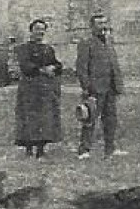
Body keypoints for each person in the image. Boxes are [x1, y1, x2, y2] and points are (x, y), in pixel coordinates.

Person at [75, 13, 124, 159]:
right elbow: (81, 67)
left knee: (110, 119)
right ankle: (84, 150)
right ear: (92, 26)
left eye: (104, 23)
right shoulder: (86, 43)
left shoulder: (109, 42)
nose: (103, 27)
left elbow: (113, 64)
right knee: (90, 118)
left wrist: (117, 83)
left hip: (110, 87)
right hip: (95, 88)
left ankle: (111, 148)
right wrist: (87, 87)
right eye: (99, 24)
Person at [14, 19, 63, 157]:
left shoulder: (48, 49)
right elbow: (26, 66)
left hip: (45, 89)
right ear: (31, 31)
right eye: (37, 29)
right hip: (29, 88)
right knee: (29, 117)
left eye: (43, 29)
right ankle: (29, 148)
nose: (40, 32)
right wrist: (42, 70)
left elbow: (58, 65)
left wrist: (54, 67)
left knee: (44, 118)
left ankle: (41, 149)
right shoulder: (23, 48)